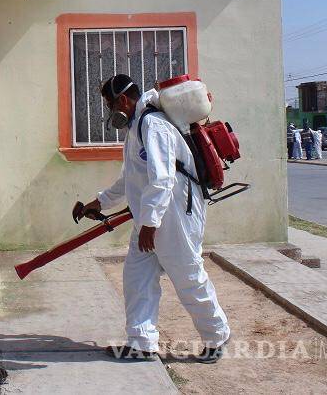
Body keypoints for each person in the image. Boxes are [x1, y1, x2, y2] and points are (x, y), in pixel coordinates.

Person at [75, 74, 231, 364]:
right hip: (152, 217)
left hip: (175, 214)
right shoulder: (137, 127)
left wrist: (150, 223)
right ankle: (141, 343)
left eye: (109, 104)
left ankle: (217, 335)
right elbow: (130, 179)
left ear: (123, 100)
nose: (110, 111)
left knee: (187, 276)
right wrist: (99, 202)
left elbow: (162, 179)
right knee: (137, 278)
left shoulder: (153, 125)